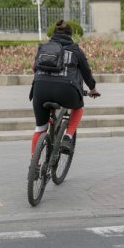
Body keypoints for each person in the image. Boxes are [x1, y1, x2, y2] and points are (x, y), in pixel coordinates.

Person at [29, 19, 99, 154]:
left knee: (40, 128)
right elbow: (86, 72)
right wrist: (92, 89)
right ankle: (67, 137)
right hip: (66, 91)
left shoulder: (43, 47)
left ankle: (34, 166)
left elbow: (34, 67)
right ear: (70, 35)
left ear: (53, 35)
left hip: (40, 90)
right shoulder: (75, 50)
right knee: (78, 108)